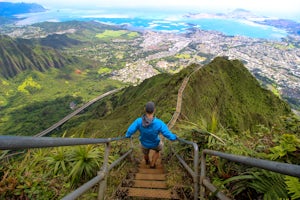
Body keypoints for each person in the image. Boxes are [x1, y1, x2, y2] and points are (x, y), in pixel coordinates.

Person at [125, 101, 177, 168]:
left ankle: (147, 161)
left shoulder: (138, 121)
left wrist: (127, 135)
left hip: (144, 143)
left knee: (145, 153)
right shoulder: (159, 123)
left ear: (145, 110)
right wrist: (174, 137)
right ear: (154, 110)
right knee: (157, 150)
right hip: (155, 143)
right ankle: (152, 164)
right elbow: (166, 133)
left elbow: (130, 130)